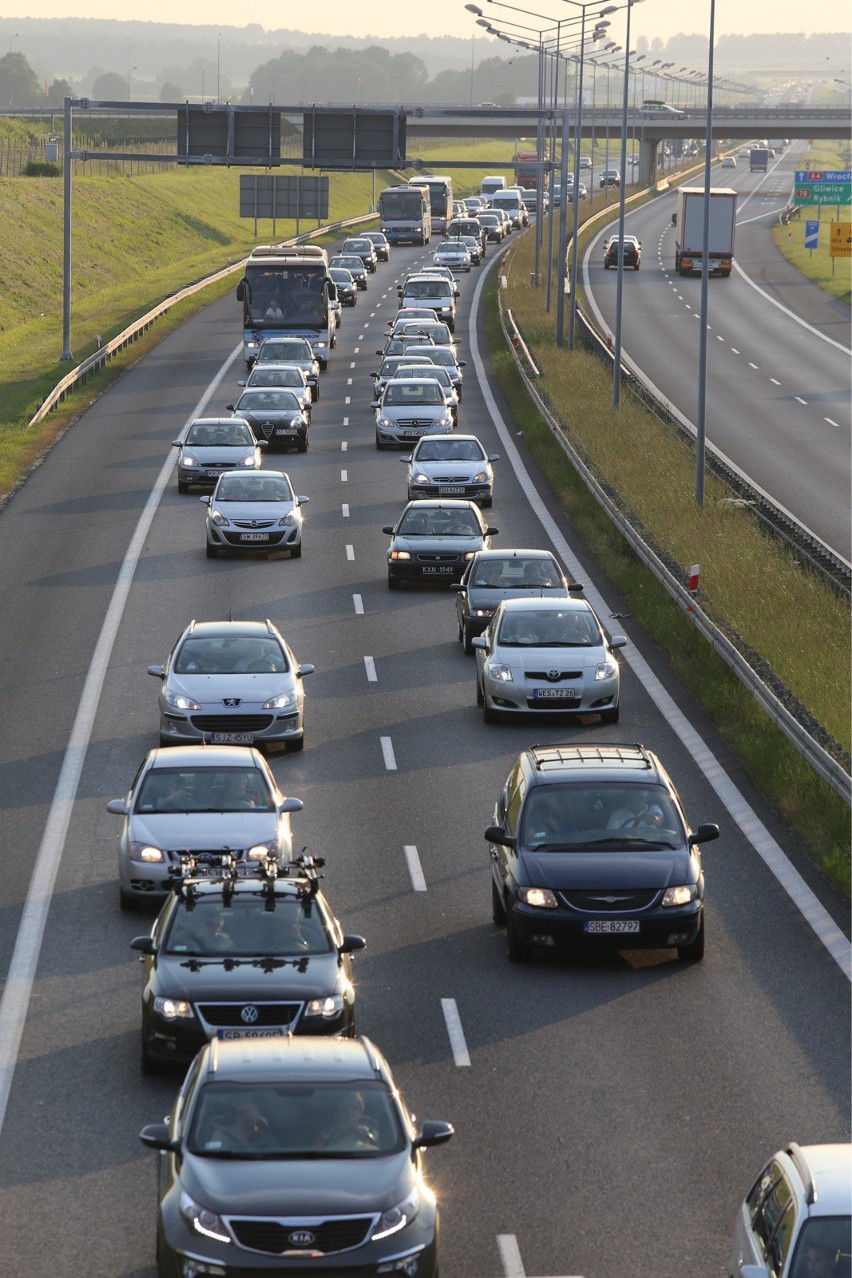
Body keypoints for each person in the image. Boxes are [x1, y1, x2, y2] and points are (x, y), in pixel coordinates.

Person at [312, 1091, 378, 1151]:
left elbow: (377, 1151)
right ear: (337, 1113)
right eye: (345, 1109)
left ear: (360, 1112)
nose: (349, 1113)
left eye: (354, 1109)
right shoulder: (326, 1134)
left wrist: (364, 1138)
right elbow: (316, 1152)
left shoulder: (369, 1130)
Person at [210, 1100, 277, 1152]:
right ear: (235, 1116)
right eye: (241, 1112)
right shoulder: (221, 1136)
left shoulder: (269, 1140)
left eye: (250, 1112)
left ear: (258, 1114)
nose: (246, 1116)